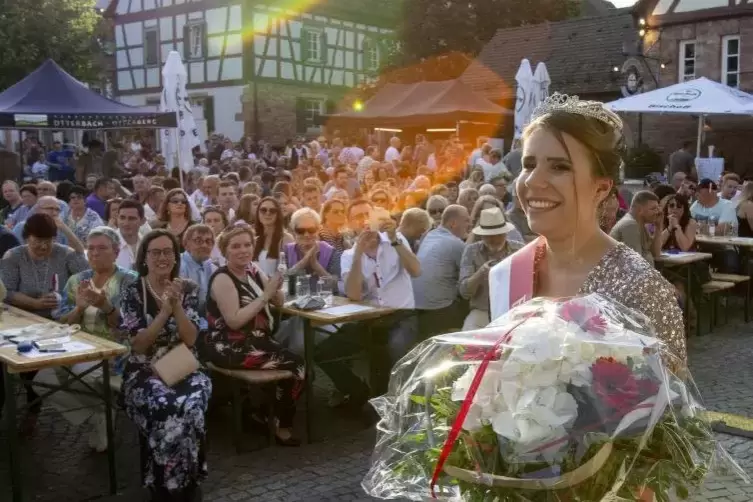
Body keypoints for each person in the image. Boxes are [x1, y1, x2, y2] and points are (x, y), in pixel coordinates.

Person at [490, 93, 686, 369]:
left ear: (601, 188)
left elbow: (673, 405)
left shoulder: (643, 289)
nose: (534, 180)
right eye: (529, 164)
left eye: (560, 167)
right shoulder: (505, 275)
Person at [119, 229, 211, 501]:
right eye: (155, 252)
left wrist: (178, 306)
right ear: (144, 257)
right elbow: (138, 344)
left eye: (168, 251)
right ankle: (163, 483)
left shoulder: (188, 288)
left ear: (175, 256)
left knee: (192, 406)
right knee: (166, 408)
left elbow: (191, 338)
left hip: (182, 364)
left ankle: (187, 479)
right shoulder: (133, 291)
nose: (162, 257)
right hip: (144, 368)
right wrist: (163, 313)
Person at [204, 225, 303, 446]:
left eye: (247, 245)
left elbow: (278, 302)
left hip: (256, 341)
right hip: (229, 346)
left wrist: (276, 286)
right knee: (298, 367)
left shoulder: (254, 269)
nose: (243, 250)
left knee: (298, 364)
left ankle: (264, 414)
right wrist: (266, 296)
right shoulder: (223, 278)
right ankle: (279, 423)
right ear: (225, 250)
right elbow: (235, 321)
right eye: (236, 246)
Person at [41, 227, 138, 452]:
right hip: (77, 347)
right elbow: (62, 323)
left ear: (115, 252)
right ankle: (99, 413)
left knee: (78, 374)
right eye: (91, 249)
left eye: (102, 248)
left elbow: (130, 327)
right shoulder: (77, 280)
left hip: (116, 351)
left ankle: (100, 414)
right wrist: (79, 309)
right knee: (42, 377)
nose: (95, 253)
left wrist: (106, 306)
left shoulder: (130, 281)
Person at [316, 200, 420, 406]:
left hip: (402, 315)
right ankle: (358, 390)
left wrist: (395, 240)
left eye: (367, 215)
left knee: (392, 349)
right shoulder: (348, 255)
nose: (363, 221)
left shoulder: (396, 239)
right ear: (350, 224)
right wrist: (358, 254)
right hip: (369, 319)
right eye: (357, 217)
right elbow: (354, 294)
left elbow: (416, 271)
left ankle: (392, 405)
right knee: (323, 352)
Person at [1, 213, 88, 318]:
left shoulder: (64, 253)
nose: (43, 247)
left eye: (48, 241)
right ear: (27, 238)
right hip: (24, 316)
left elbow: (85, 272)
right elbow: (7, 292)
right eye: (38, 241)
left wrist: (65, 230)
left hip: (62, 317)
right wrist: (35, 303)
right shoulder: (14, 256)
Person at [412, 205, 470, 338]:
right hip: (440, 309)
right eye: (466, 220)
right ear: (453, 223)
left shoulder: (429, 235)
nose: (469, 224)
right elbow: (469, 276)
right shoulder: (455, 243)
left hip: (418, 307)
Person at [459, 208, 521, 329]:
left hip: (512, 310)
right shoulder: (471, 251)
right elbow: (464, 292)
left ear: (505, 233)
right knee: (468, 336)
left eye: (497, 235)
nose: (493, 240)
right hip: (482, 310)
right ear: (481, 235)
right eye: (488, 236)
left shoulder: (519, 250)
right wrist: (481, 273)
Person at [609, 190, 662, 266]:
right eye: (653, 209)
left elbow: (655, 253)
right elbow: (635, 265)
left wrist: (659, 227)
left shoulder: (640, 224)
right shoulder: (630, 225)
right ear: (640, 210)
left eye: (657, 208)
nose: (658, 212)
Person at [179, 224, 217, 317]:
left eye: (208, 241)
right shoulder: (178, 266)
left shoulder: (212, 267)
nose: (204, 245)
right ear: (186, 244)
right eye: (198, 241)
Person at [253, 196, 293, 277]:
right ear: (258, 213)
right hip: (255, 287)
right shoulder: (252, 237)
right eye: (263, 210)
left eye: (272, 210)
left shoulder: (286, 239)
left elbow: (289, 270)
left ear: (278, 214)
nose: (268, 213)